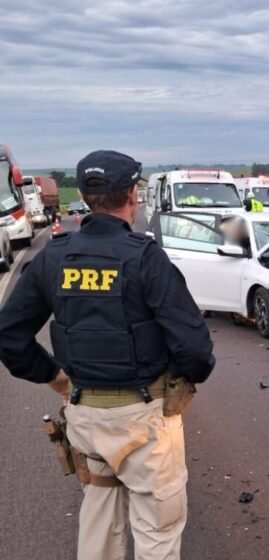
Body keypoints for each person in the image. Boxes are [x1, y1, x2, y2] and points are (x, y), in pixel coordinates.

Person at [0, 150, 215, 559]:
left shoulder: (54, 257)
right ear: (133, 194)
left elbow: (8, 336)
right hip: (146, 422)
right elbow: (196, 351)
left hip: (85, 416)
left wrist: (57, 379)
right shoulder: (146, 257)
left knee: (99, 523)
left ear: (82, 195)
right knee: (158, 532)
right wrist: (182, 382)